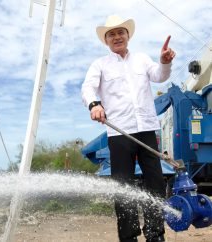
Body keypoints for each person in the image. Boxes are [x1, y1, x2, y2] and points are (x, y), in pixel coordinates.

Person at [81, 15, 175, 242]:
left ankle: (155, 234)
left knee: (155, 184)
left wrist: (165, 61)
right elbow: (87, 87)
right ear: (106, 40)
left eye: (120, 32)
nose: (116, 37)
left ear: (128, 36)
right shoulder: (100, 65)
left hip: (146, 130)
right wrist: (94, 104)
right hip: (119, 133)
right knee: (123, 188)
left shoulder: (142, 59)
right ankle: (128, 237)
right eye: (111, 34)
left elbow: (160, 76)